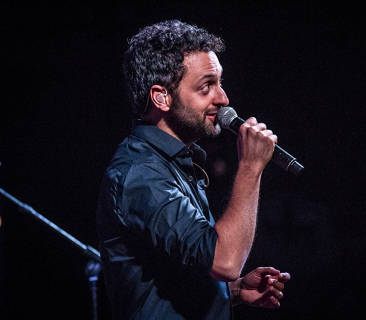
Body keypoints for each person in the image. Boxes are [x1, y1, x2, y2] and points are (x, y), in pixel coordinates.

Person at [96, 19, 291, 319]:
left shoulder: (168, 162)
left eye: (220, 83)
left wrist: (233, 292)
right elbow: (224, 261)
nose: (223, 99)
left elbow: (177, 273)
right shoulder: (141, 174)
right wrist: (251, 166)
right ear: (161, 97)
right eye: (206, 86)